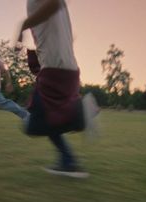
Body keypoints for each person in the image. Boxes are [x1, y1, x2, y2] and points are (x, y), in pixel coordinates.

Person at [16, 0, 98, 178]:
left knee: (32, 125)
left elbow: (52, 4)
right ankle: (69, 162)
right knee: (50, 121)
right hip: (67, 70)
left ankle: (82, 113)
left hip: (55, 69)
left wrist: (23, 26)